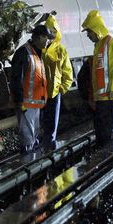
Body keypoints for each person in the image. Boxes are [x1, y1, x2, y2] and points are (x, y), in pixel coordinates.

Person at [81, 10, 113, 150]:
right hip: (103, 98)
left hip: (110, 96)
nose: (88, 35)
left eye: (89, 32)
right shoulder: (100, 45)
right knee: (103, 133)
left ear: (96, 30)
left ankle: (111, 159)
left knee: (108, 134)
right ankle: (107, 158)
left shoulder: (110, 42)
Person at [10, 25, 54, 153]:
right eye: (47, 38)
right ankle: (27, 163)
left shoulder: (36, 53)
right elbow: (16, 79)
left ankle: (32, 162)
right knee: (28, 139)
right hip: (25, 105)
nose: (48, 41)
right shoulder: (24, 53)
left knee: (33, 137)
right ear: (39, 37)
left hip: (35, 104)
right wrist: (19, 101)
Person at [40, 15, 73, 150]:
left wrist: (62, 88)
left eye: (54, 31)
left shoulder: (61, 50)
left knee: (51, 123)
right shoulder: (39, 48)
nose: (51, 35)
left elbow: (67, 72)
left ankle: (49, 146)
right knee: (41, 122)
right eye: (49, 32)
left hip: (54, 93)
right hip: (40, 93)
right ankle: (42, 146)